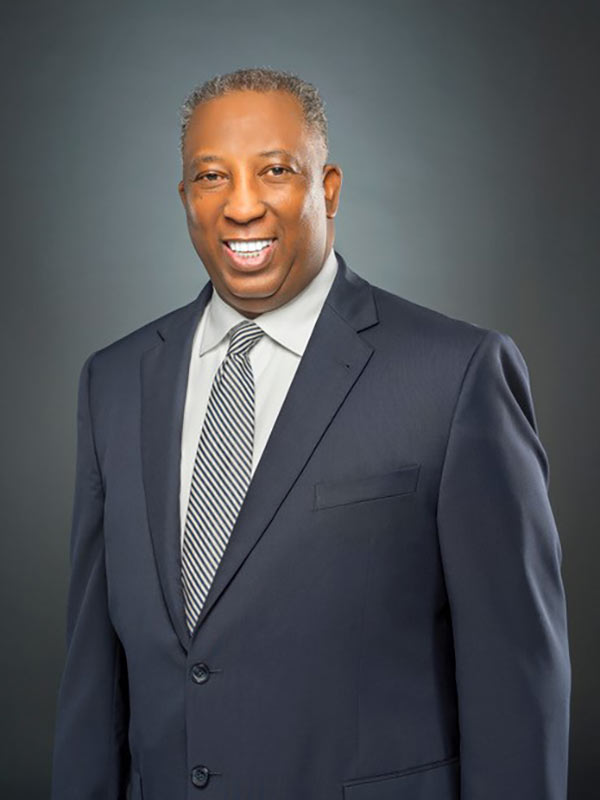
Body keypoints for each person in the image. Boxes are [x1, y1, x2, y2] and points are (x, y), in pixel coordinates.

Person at [50, 67, 571, 800]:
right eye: (211, 176)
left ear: (327, 189)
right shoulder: (113, 380)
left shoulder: (456, 375)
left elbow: (517, 687)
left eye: (275, 170)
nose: (241, 205)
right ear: (186, 198)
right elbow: (92, 680)